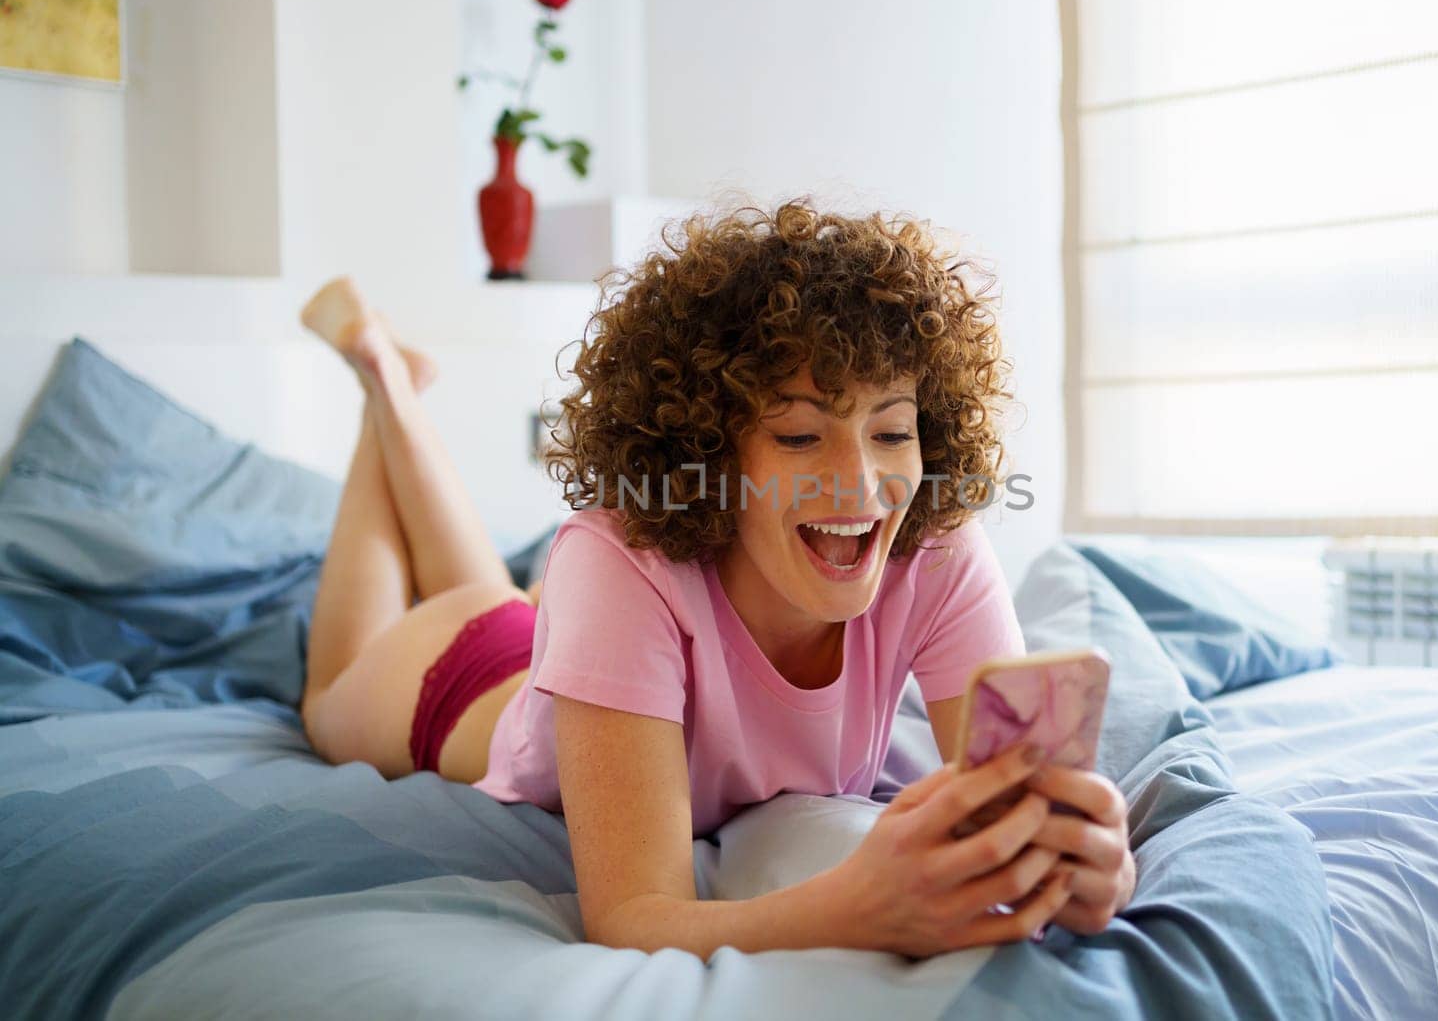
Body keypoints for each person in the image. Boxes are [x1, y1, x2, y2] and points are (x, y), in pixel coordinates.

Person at [298, 199, 1136, 963]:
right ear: (710, 454)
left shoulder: (939, 549)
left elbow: (1021, 813)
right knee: (327, 694)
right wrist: (855, 906)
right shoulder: (613, 560)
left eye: (890, 431)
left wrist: (1090, 866)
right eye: (801, 436)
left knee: (500, 595)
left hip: (584, 650)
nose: (859, 483)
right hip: (463, 677)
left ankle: (396, 386)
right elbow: (633, 914)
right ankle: (383, 384)